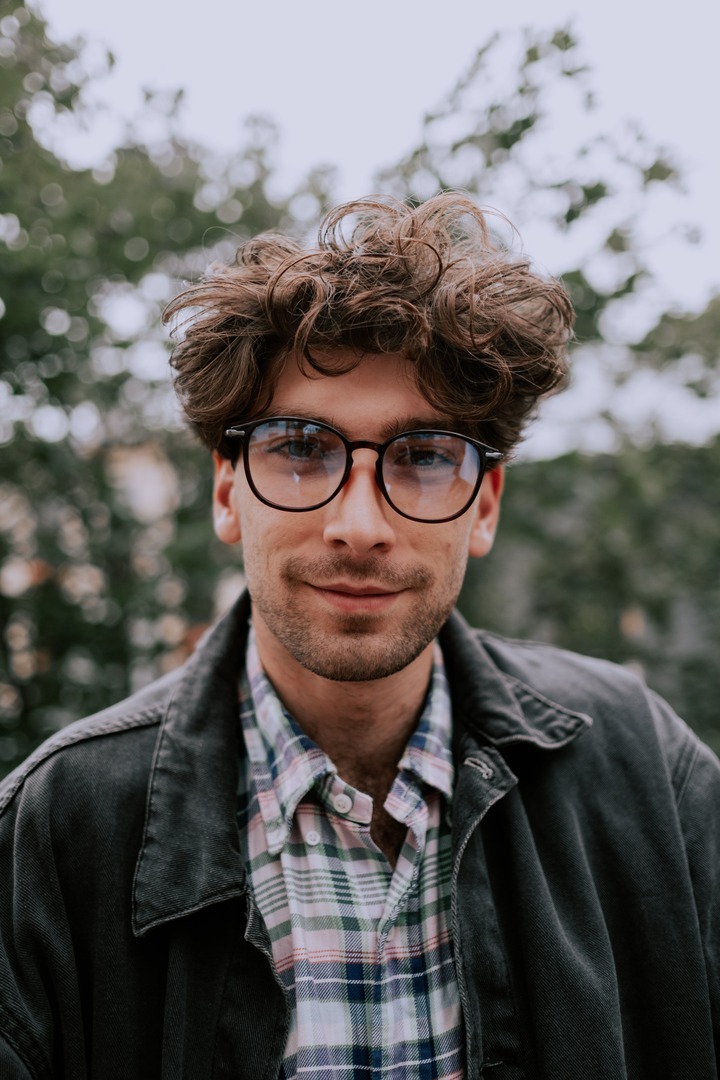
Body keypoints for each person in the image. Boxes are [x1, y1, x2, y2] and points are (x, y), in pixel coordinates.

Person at [0, 194, 717, 1080]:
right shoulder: (60, 827)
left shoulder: (646, 771)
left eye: (422, 457)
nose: (359, 524)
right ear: (227, 491)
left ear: (484, 506)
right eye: (301, 448)